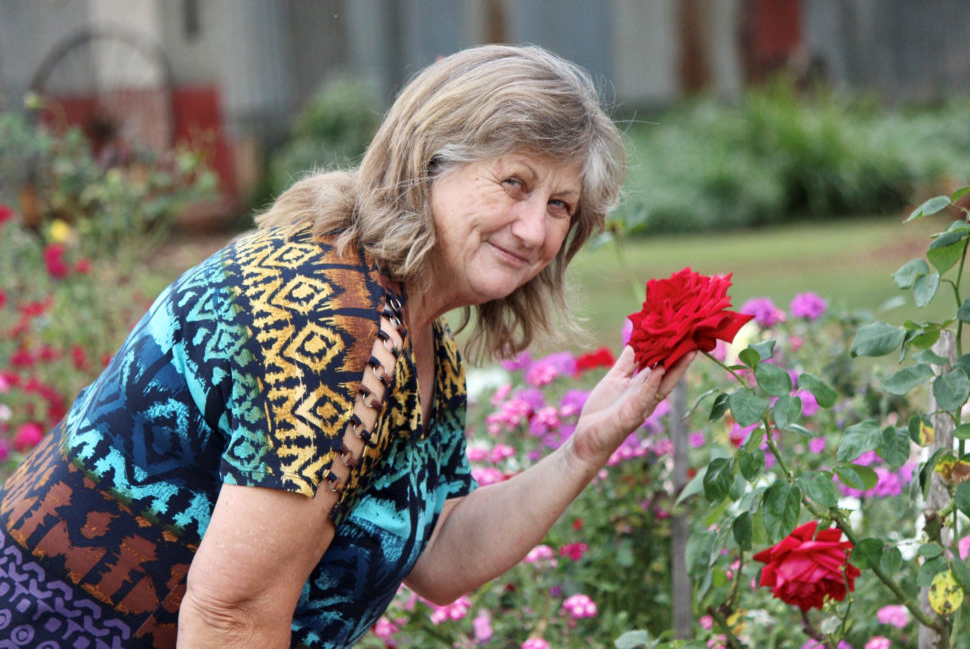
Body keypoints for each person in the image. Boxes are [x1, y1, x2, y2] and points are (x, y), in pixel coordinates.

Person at [0, 44, 692, 648]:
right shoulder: (335, 321)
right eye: (515, 183)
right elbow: (231, 617)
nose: (535, 230)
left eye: (559, 206)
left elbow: (441, 551)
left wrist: (584, 446)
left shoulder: (418, 344)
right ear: (429, 163)